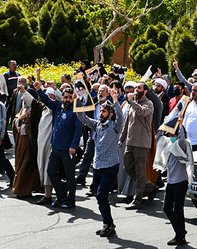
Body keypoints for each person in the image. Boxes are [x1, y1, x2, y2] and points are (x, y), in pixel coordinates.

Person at [77, 98, 124, 237]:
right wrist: (76, 101)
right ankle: (107, 223)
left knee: (102, 195)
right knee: (99, 197)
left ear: (110, 114)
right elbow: (82, 117)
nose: (100, 114)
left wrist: (115, 101)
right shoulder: (96, 125)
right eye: (100, 111)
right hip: (98, 166)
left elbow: (121, 117)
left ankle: (108, 224)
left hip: (110, 166)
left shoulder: (115, 127)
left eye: (103, 111)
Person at [35, 76, 84, 209]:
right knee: (51, 171)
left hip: (68, 149)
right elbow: (46, 100)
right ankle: (61, 196)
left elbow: (78, 130)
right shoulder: (57, 106)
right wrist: (39, 89)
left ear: (73, 99)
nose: (67, 100)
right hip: (55, 147)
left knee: (69, 176)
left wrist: (74, 146)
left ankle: (71, 200)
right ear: (62, 97)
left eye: (70, 98)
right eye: (65, 97)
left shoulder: (76, 111)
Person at [156, 122, 193, 246]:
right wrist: (165, 124)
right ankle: (180, 230)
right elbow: (158, 137)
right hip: (171, 182)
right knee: (166, 208)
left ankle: (180, 237)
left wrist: (180, 125)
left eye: (172, 133)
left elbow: (182, 139)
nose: (170, 134)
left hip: (180, 181)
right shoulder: (168, 144)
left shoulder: (181, 145)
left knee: (178, 210)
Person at [120, 81, 155, 209]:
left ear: (145, 91)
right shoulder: (132, 104)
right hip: (130, 141)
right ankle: (150, 187)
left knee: (140, 172)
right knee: (128, 168)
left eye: (139, 88)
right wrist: (122, 138)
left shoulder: (149, 104)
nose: (136, 90)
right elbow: (127, 123)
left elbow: (142, 112)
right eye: (135, 88)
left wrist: (131, 102)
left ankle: (138, 200)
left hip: (142, 143)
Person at [11, 87, 41, 198]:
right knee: (20, 164)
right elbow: (15, 121)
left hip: (30, 142)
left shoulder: (36, 111)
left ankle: (23, 190)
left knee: (26, 165)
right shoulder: (23, 110)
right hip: (21, 141)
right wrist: (20, 119)